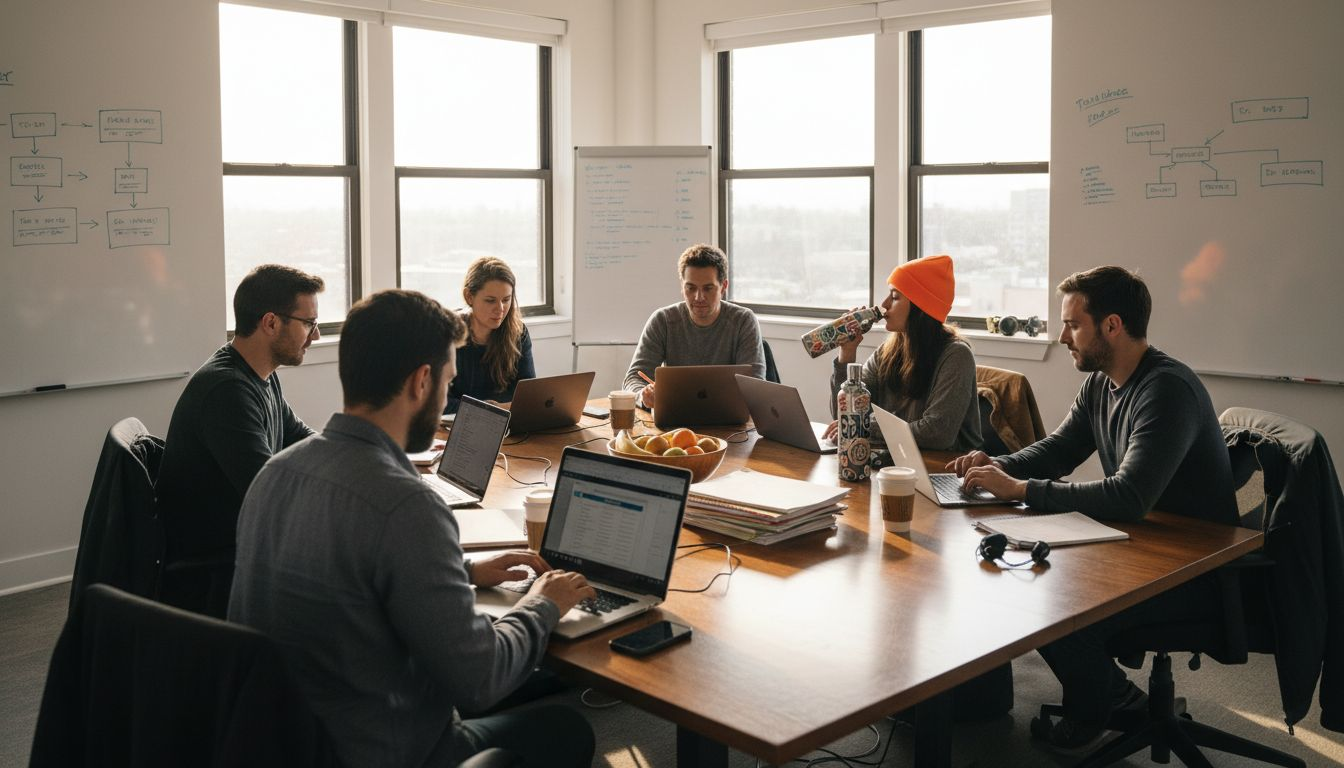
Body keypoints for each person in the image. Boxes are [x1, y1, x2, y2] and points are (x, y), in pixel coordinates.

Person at [228, 289, 597, 768]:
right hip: (390, 750)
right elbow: (479, 680)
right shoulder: (408, 506)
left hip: (284, 745)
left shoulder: (274, 473)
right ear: (422, 382)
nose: (447, 395)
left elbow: (350, 572)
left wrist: (464, 571)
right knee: (565, 728)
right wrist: (544, 603)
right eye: (448, 382)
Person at [947, 265, 1238, 752]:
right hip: (1143, 543)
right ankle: (1115, 698)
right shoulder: (1102, 383)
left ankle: (1096, 713)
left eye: (1073, 325)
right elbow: (1059, 449)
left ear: (1112, 326)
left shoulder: (1167, 390)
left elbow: (1128, 496)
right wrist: (993, 466)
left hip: (1191, 567)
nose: (1062, 337)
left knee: (1051, 600)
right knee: (1028, 573)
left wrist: (1019, 489)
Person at [156, 264, 323, 616]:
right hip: (218, 563)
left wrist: (357, 456)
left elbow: (301, 438)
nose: (316, 335)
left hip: (242, 541)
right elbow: (269, 490)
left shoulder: (259, 374)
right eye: (308, 323)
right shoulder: (227, 390)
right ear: (271, 323)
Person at [823, 254, 982, 451]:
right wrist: (847, 352)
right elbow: (844, 413)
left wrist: (861, 426)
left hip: (945, 468)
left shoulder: (957, 356)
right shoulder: (887, 351)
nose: (885, 304)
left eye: (895, 297)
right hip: (896, 460)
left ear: (920, 307)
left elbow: (937, 433)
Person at [623, 243, 765, 408]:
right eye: (691, 288)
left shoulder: (743, 321)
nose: (699, 297)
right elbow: (633, 378)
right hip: (675, 422)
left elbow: (755, 386)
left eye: (708, 288)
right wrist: (643, 395)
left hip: (730, 422)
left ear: (723, 287)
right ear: (682, 287)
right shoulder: (663, 321)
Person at [445, 256, 536, 414]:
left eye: (506, 299)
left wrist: (498, 410)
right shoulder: (448, 334)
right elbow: (439, 404)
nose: (500, 309)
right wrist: (490, 409)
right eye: (490, 300)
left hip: (509, 426)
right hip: (458, 428)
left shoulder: (518, 332)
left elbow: (529, 394)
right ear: (469, 296)